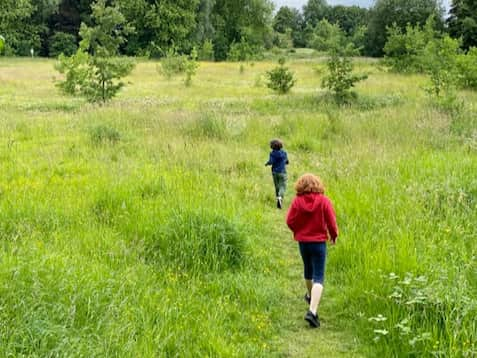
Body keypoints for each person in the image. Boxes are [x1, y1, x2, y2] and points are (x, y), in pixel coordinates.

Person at [286, 173, 338, 328]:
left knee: (308, 271)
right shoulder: (324, 201)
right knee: (319, 277)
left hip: (303, 242)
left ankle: (310, 296)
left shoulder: (297, 201)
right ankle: (312, 311)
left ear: (300, 186)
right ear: (318, 185)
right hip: (319, 243)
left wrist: (298, 231)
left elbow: (289, 221)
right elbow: (331, 221)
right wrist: (333, 235)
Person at [265, 139, 289, 209]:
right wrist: (286, 162)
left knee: (277, 186)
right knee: (283, 185)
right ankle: (280, 197)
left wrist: (267, 163)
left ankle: (277, 198)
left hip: (275, 172)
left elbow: (271, 161)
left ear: (272, 146)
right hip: (282, 172)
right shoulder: (284, 153)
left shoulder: (272, 153)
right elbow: (286, 161)